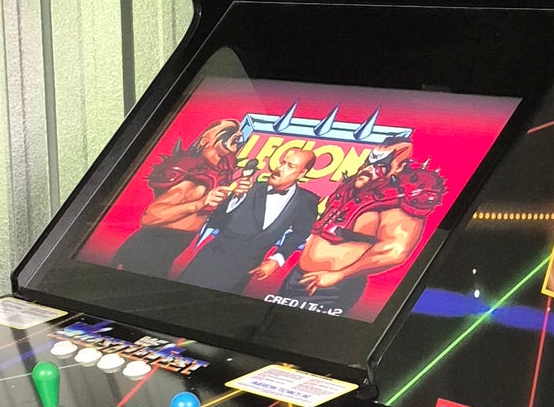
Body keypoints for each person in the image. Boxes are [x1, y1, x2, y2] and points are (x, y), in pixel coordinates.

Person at [273, 141, 446, 313]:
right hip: (297, 276)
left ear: (399, 167)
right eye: (369, 161)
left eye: (380, 165)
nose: (368, 168)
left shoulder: (400, 200)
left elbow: (395, 251)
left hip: (331, 287)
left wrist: (340, 275)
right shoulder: (351, 189)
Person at [179, 138, 326, 294]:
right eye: (283, 162)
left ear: (302, 173)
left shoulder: (306, 201)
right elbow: (217, 220)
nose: (280, 168)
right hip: (208, 262)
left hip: (243, 272)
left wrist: (277, 260)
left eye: (290, 166)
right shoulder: (249, 188)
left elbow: (301, 233)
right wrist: (236, 198)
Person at [112, 118, 242, 278]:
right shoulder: (191, 180)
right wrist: (202, 202)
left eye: (238, 132)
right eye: (229, 132)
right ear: (205, 141)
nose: (238, 134)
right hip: (151, 247)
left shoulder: (217, 173)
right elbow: (150, 216)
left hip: (170, 248)